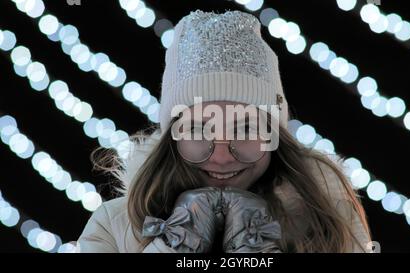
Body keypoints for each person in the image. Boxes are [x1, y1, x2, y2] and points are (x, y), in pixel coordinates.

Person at [77, 9, 372, 253]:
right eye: (197, 131)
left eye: (244, 129)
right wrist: (174, 248)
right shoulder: (113, 224)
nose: (220, 156)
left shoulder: (328, 223)